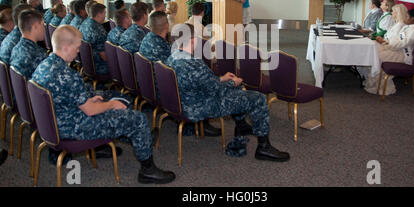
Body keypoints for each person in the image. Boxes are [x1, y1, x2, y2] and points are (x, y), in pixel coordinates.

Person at [31, 25, 176, 184]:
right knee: (137, 119)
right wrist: (111, 105)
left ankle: (139, 139)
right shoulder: (67, 75)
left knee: (115, 108)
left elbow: (64, 99)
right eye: (77, 47)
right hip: (73, 128)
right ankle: (148, 170)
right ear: (66, 47)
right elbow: (90, 111)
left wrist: (89, 101)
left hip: (54, 126)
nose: (78, 51)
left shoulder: (43, 66)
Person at [166, 24, 290, 162]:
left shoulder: (172, 58)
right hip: (200, 106)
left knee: (235, 88)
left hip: (184, 102)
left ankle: (241, 126)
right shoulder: (193, 64)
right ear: (193, 40)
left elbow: (201, 82)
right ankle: (264, 147)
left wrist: (222, 78)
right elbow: (215, 89)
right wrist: (233, 82)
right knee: (258, 98)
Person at [142, 13, 221, 137]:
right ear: (166, 26)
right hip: (165, 90)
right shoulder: (163, 48)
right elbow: (180, 70)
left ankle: (192, 126)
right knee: (198, 80)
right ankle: (202, 125)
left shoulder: (147, 39)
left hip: (152, 85)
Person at [365, 8, 414, 96]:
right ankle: (372, 83)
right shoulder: (407, 28)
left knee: (378, 57)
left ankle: (381, 87)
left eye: (407, 16)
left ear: (412, 19)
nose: (405, 18)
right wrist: (387, 42)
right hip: (398, 51)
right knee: (376, 54)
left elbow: (402, 44)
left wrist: (386, 43)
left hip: (404, 56)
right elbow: (396, 40)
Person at [10, 10, 48, 79]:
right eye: (43, 25)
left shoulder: (15, 48)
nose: (44, 28)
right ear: (35, 26)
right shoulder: (39, 54)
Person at [79, 3, 109, 75]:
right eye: (104, 13)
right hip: (98, 66)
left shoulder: (84, 23)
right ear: (98, 14)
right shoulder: (99, 30)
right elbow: (104, 56)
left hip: (86, 63)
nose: (105, 16)